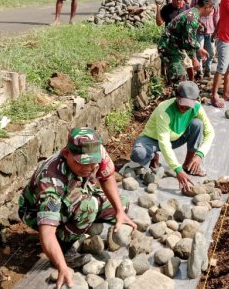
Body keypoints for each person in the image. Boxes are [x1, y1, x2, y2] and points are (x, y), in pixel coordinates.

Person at [18, 127, 136, 289]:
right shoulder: (51, 181)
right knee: (88, 208)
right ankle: (65, 247)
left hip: (79, 189)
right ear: (67, 154)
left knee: (121, 203)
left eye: (92, 163)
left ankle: (80, 222)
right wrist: (62, 267)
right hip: (35, 211)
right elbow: (47, 233)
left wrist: (120, 211)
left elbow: (107, 177)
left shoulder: (96, 150)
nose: (88, 168)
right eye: (82, 163)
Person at [130, 81, 214, 192]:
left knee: (197, 124)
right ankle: (152, 156)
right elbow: (164, 143)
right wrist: (177, 169)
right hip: (153, 140)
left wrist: (200, 155)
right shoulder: (164, 109)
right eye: (182, 103)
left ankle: (188, 165)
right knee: (138, 154)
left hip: (176, 139)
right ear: (176, 96)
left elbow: (210, 132)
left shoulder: (197, 108)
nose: (185, 107)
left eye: (188, 105)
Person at [157, 0, 214, 85]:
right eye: (212, 8)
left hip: (174, 48)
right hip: (169, 49)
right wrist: (194, 59)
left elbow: (190, 37)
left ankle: (179, 96)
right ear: (207, 7)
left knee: (181, 78)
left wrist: (199, 48)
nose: (212, 11)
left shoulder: (192, 13)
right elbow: (188, 41)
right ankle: (179, 97)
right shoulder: (192, 18)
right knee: (180, 78)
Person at [191, 0, 216, 79]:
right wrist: (197, 24)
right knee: (199, 51)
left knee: (211, 52)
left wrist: (216, 30)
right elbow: (192, 12)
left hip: (211, 29)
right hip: (199, 29)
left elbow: (216, 14)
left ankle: (208, 70)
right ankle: (199, 72)